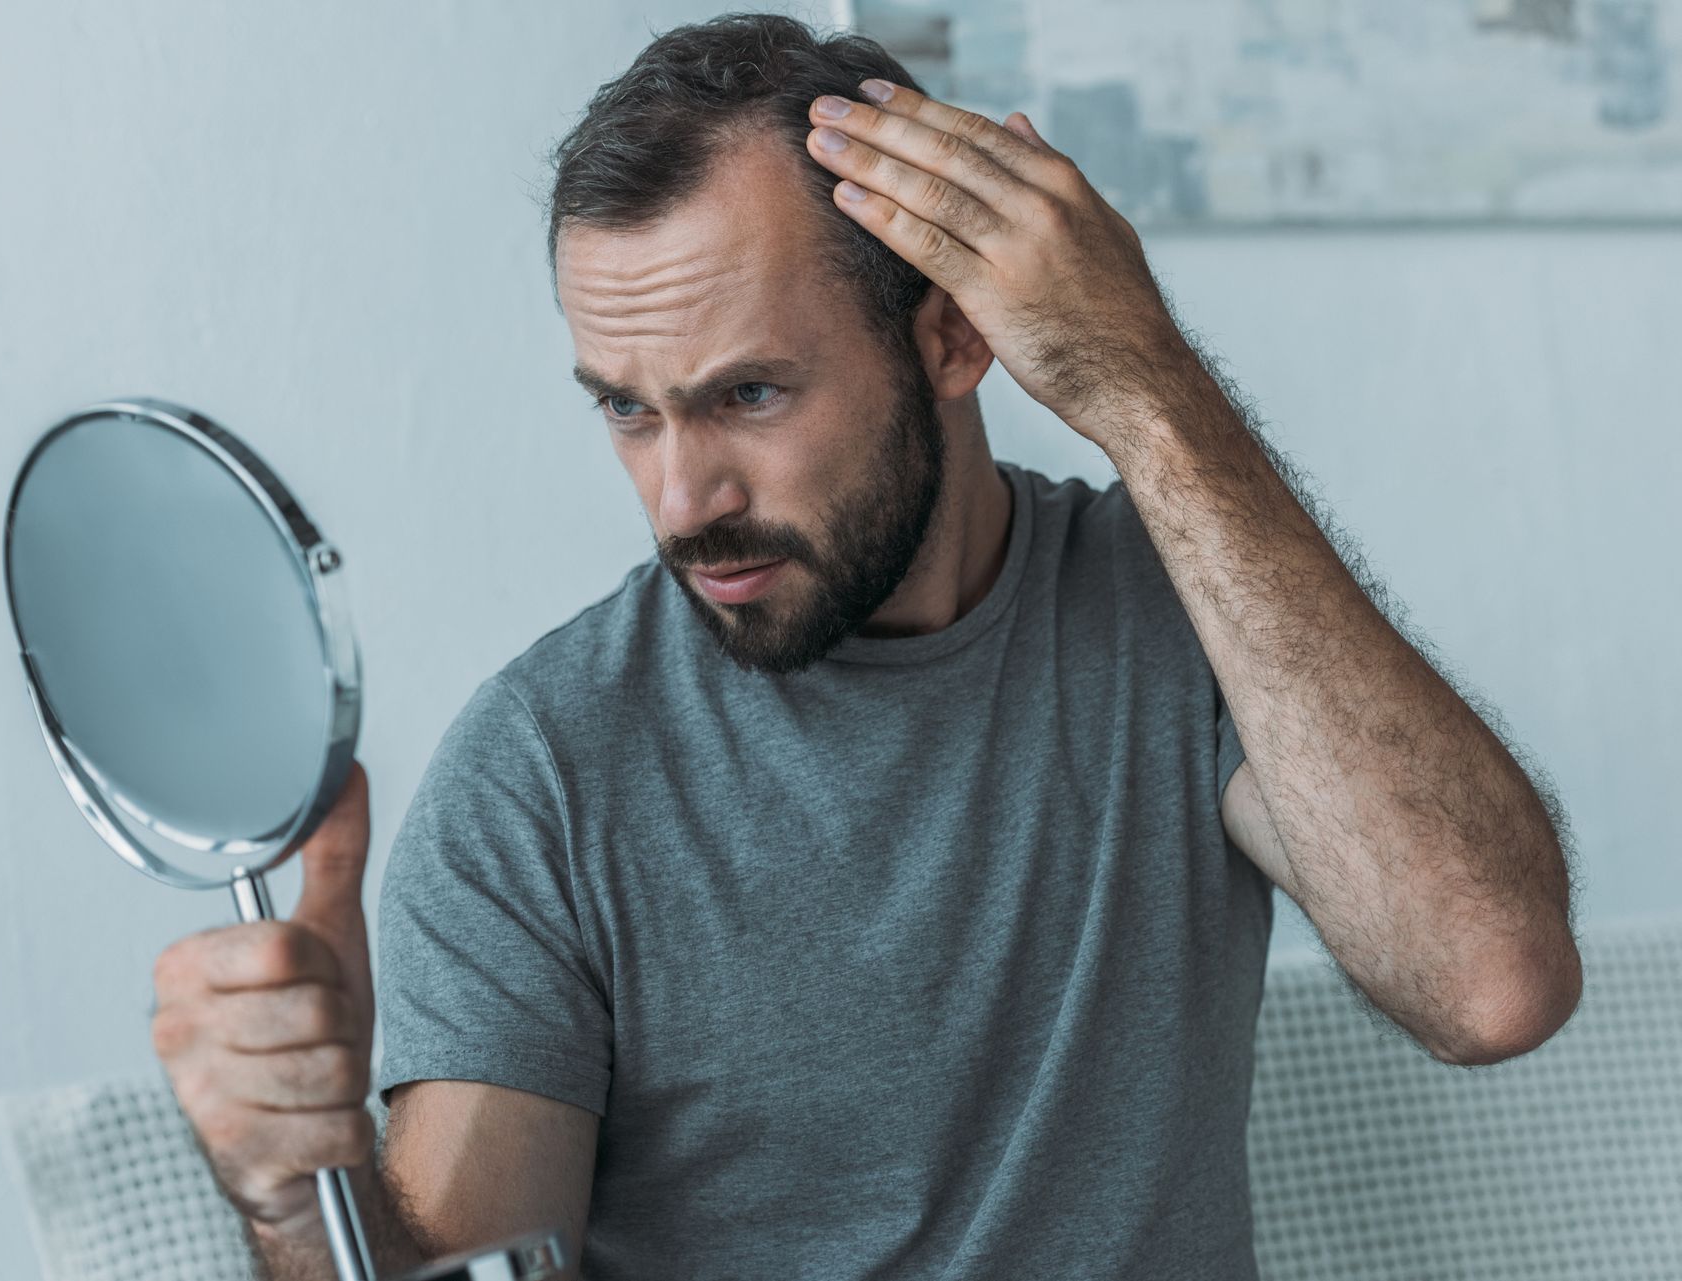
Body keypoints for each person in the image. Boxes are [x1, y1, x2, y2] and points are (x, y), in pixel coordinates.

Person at [148, 13, 1583, 1279]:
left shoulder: (1179, 614)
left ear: (954, 341)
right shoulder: (543, 772)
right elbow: (467, 1263)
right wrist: (301, 1194)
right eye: (628, 408)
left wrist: (1148, 389)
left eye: (750, 393)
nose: (681, 499)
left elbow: (1491, 982)